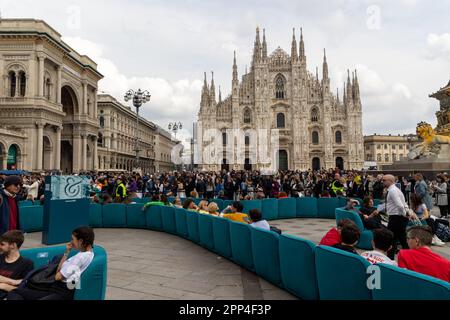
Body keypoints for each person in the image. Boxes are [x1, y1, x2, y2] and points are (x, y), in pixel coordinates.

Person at [7, 226, 95, 300]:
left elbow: (57, 276)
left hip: (61, 292)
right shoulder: (88, 253)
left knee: (15, 292)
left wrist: (59, 272)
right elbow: (59, 271)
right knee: (18, 291)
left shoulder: (80, 258)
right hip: (56, 288)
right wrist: (67, 252)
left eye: (73, 239)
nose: (71, 242)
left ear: (81, 241)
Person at [378, 174, 410, 259]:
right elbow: (403, 203)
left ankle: (390, 258)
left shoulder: (393, 191)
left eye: (384, 180)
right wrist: (406, 213)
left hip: (396, 218)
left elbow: (400, 205)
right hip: (398, 217)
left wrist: (404, 214)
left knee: (392, 239)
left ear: (390, 181)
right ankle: (409, 256)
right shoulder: (395, 190)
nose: (382, 181)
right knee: (401, 239)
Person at [0, 230, 34, 299]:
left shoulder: (26, 264)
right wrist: (13, 282)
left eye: (2, 244)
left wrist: (4, 286)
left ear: (13, 245)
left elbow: (26, 290)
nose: (0, 246)